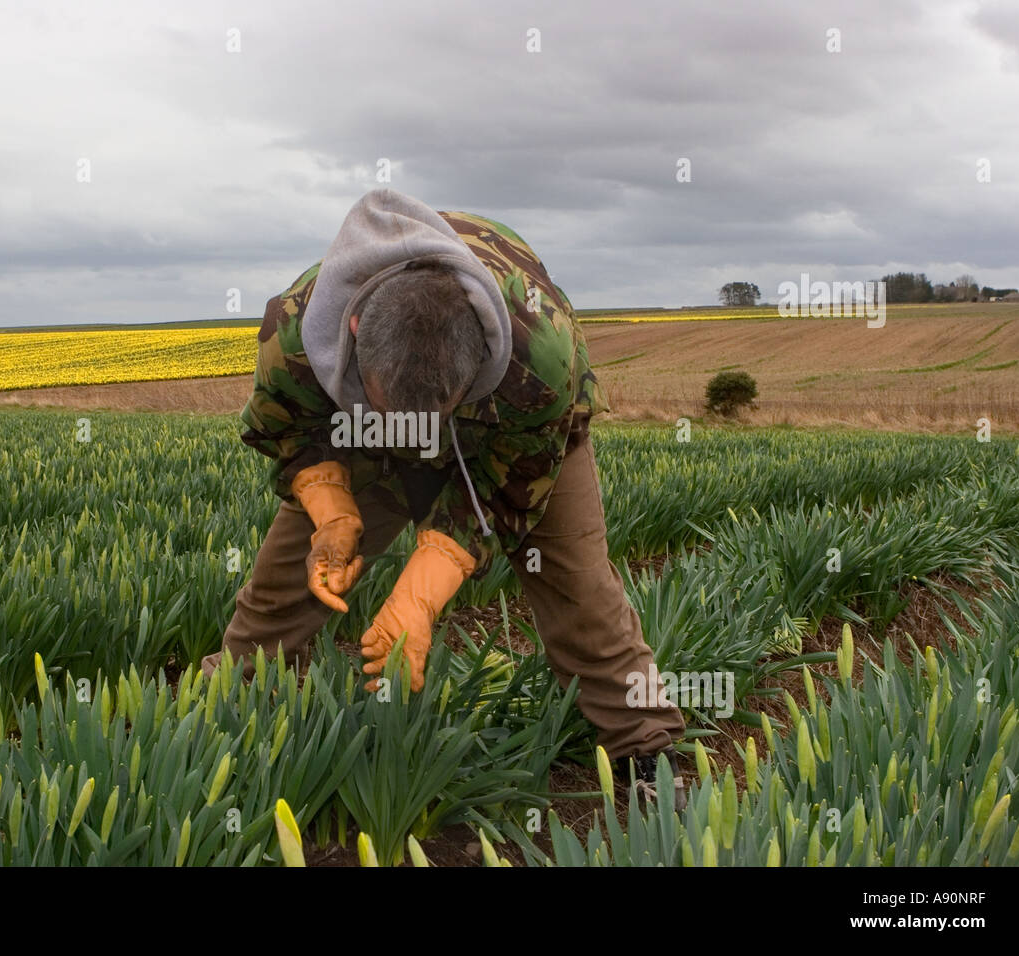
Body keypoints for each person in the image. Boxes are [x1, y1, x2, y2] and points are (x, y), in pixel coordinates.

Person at [202, 188, 686, 808]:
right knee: (285, 585)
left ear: (482, 349)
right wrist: (330, 506)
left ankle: (643, 746)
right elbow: (285, 425)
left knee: (579, 587)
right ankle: (215, 716)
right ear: (352, 330)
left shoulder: (539, 355)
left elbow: (509, 488)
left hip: (500, 441)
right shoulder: (297, 327)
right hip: (361, 440)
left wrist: (421, 592)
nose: (420, 441)